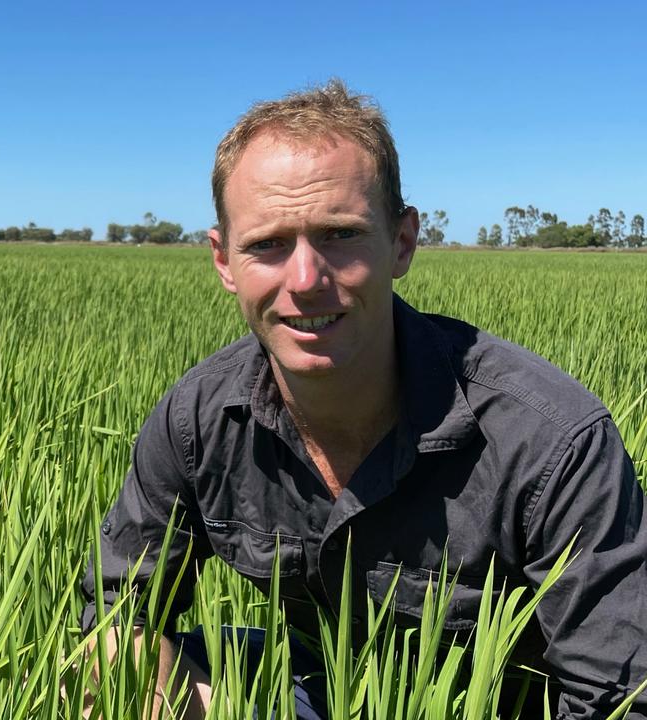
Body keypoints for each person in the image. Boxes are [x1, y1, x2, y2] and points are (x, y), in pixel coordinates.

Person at [81, 79, 647, 719]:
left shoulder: (548, 440)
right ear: (223, 260)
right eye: (267, 244)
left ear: (402, 242)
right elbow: (115, 612)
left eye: (340, 235)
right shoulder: (199, 419)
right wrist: (171, 697)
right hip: (313, 679)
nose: (304, 281)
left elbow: (621, 701)